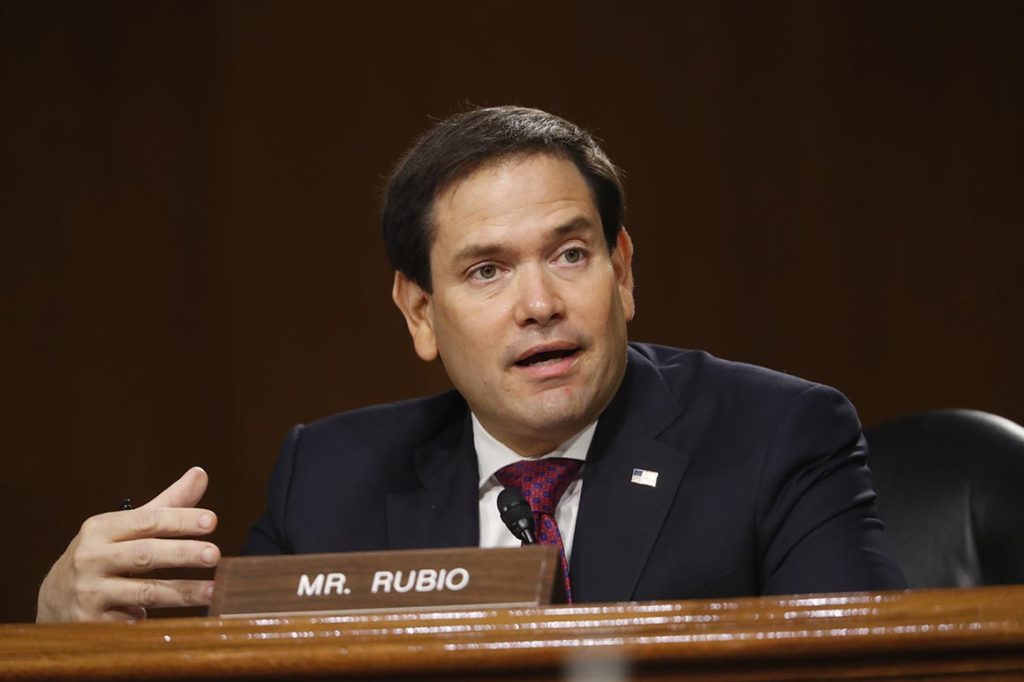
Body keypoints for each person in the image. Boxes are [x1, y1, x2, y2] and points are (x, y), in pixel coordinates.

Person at [36, 106, 906, 623]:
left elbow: (863, 667)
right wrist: (77, 633)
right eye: (487, 271)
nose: (540, 303)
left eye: (570, 255)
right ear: (420, 313)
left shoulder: (776, 438)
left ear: (623, 271)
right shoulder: (329, 479)